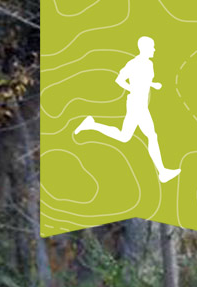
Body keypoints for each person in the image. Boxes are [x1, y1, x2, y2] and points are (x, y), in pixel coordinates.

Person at [74, 36, 181, 184]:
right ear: (144, 48)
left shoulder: (149, 64)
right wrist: (133, 89)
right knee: (146, 136)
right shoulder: (134, 64)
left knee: (130, 136)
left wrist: (152, 84)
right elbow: (119, 80)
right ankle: (162, 172)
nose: (154, 50)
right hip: (136, 104)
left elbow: (144, 80)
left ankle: (91, 125)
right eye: (152, 47)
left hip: (142, 104)